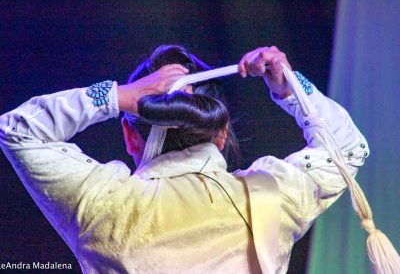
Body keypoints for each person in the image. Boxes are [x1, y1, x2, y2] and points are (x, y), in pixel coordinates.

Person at [0, 45, 369, 273]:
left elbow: (16, 130)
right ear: (221, 132)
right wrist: (290, 86)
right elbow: (349, 148)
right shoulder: (271, 194)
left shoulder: (102, 202)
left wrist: (122, 96)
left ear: (131, 135)